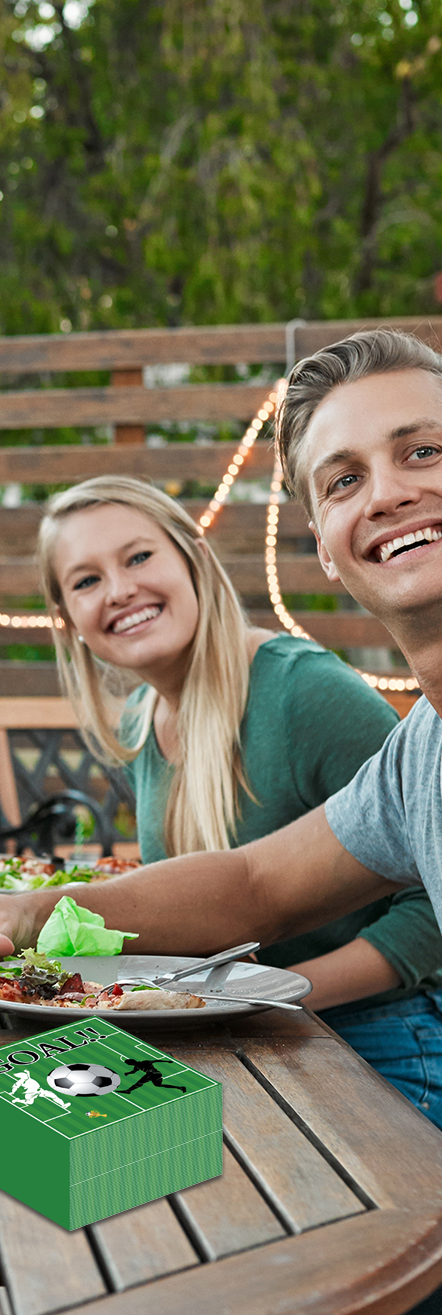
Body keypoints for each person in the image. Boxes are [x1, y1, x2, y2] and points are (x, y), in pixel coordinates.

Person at [0, 328, 442, 1315]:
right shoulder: (422, 751)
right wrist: (30, 914)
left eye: (424, 451)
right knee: (114, 1302)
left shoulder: (305, 693)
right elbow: (257, 878)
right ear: (318, 539)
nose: (391, 492)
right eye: (345, 479)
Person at [38, 474, 442, 1120]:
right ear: (68, 618)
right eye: (86, 581)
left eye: (139, 557)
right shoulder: (144, 718)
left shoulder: (304, 692)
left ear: (195, 557)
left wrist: (275, 994)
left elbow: (431, 909)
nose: (119, 590)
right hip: (243, 1039)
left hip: (382, 1039)